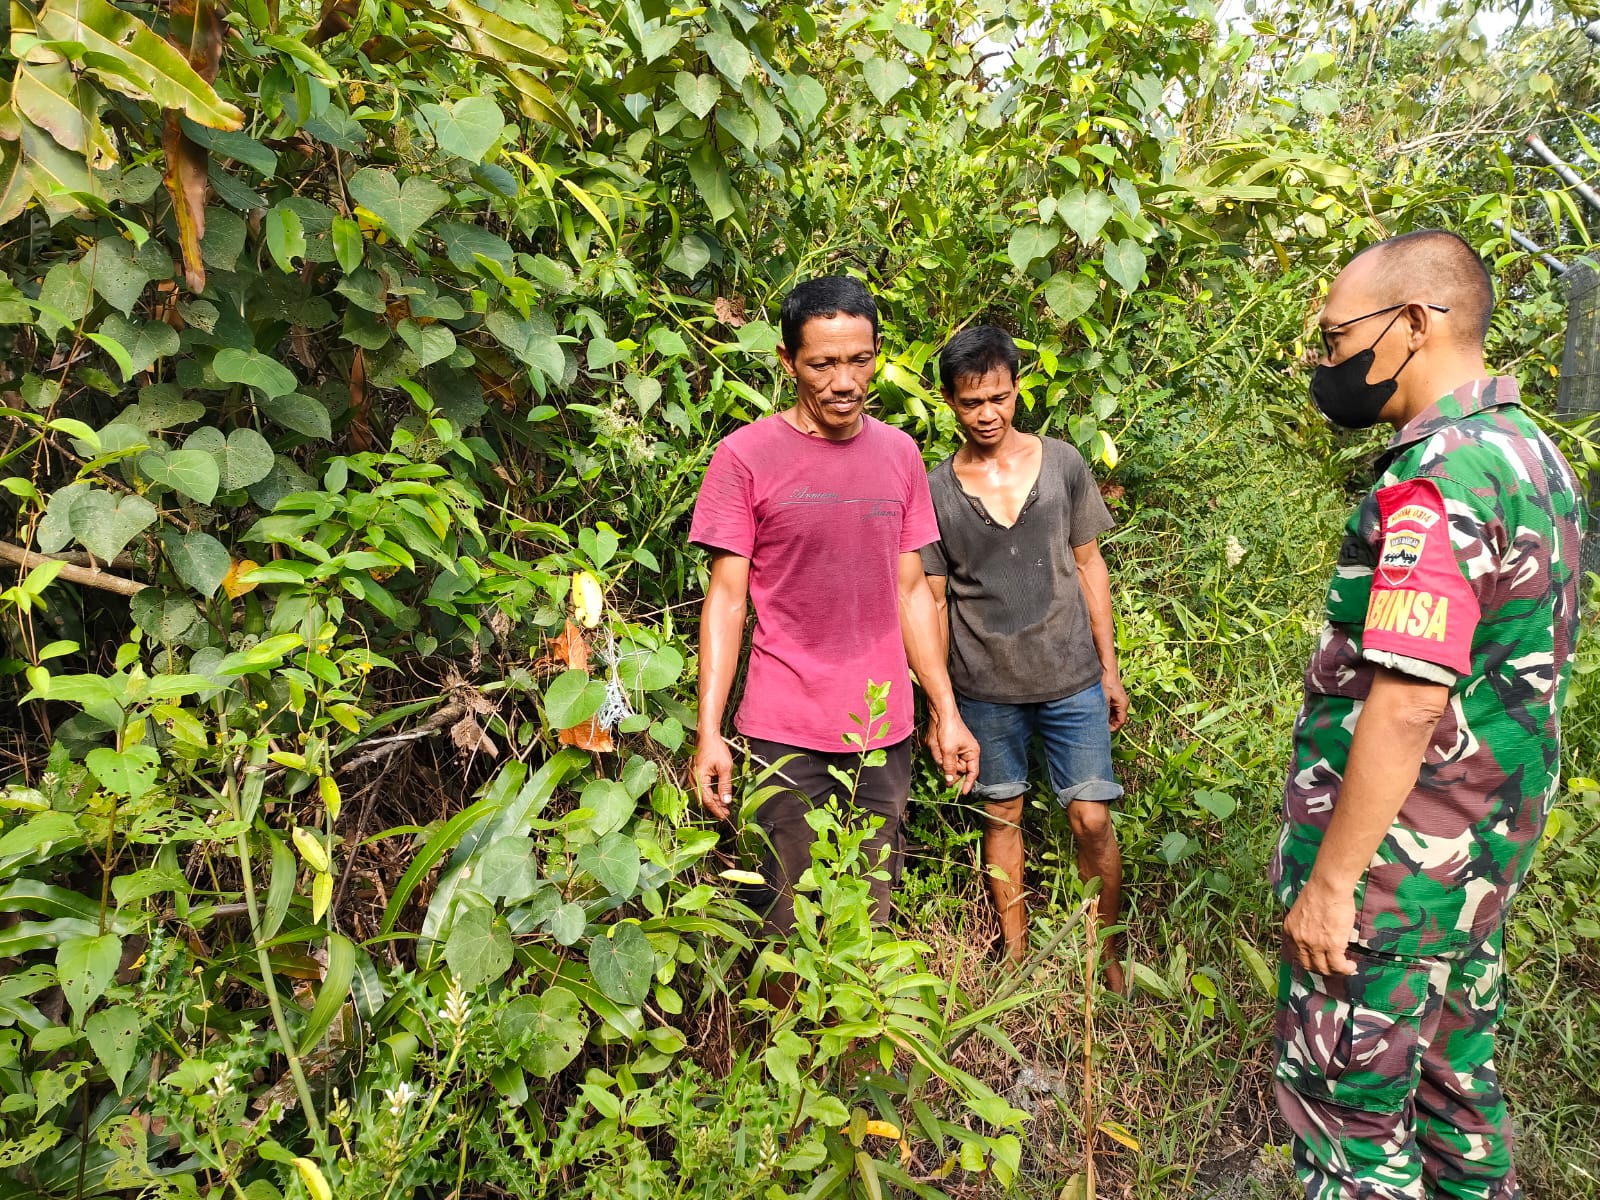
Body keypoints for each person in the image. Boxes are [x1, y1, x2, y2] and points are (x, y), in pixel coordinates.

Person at [1272, 230, 1585, 1200]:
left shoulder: (1439, 477)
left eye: (1334, 340)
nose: (1327, 365)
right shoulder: (1532, 454)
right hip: (1474, 868)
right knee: (1456, 1107)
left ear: (1412, 324)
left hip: (1394, 880)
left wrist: (1331, 886)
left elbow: (1408, 702)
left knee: (1349, 1128)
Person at [689, 275, 980, 941]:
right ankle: (782, 1041)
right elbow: (727, 601)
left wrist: (946, 712)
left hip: (882, 733)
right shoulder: (745, 458)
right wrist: (710, 732)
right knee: (787, 925)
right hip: (785, 731)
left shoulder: (900, 455)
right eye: (823, 364)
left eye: (859, 359)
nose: (844, 381)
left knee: (863, 926)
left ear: (877, 352)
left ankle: (848, 1051)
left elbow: (911, 591)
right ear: (787, 361)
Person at [919, 327, 1129, 991]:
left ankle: (1110, 956)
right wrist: (942, 708)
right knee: (1000, 815)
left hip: (1071, 678)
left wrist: (1110, 668)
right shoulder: (935, 490)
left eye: (1000, 398)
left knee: (1091, 818)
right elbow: (930, 600)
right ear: (949, 402)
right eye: (971, 402)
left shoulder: (1064, 464)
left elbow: (1090, 566)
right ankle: (1014, 957)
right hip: (984, 686)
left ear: (1017, 389)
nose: (987, 414)